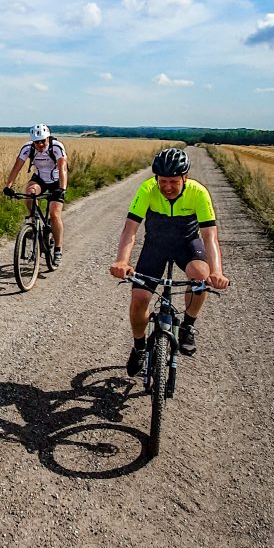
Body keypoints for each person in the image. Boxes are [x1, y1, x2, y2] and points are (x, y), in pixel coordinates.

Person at [109, 147, 229, 376]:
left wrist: (217, 272)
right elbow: (130, 230)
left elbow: (209, 236)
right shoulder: (147, 190)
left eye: (173, 181)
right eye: (163, 181)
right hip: (156, 246)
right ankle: (139, 347)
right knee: (139, 298)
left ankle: (188, 326)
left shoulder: (198, 193)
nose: (167, 187)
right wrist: (122, 261)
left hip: (187, 245)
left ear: (185, 177)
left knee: (200, 276)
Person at [3, 123, 68, 268]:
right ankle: (34, 223)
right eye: (36, 141)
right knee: (29, 194)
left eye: (43, 141)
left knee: (55, 213)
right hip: (40, 179)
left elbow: (63, 168)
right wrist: (8, 186)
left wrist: (62, 189)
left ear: (48, 138)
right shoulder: (27, 148)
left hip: (57, 181)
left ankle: (58, 249)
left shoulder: (56, 147)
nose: (40, 144)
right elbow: (16, 167)